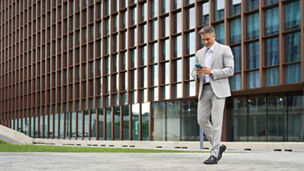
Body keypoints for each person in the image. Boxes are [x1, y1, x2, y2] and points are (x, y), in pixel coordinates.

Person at [192, 25, 234, 164]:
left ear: (214, 36)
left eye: (208, 39)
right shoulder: (199, 53)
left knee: (217, 123)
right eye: (203, 40)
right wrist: (197, 74)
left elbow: (230, 70)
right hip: (204, 90)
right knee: (202, 120)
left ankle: (214, 154)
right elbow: (193, 72)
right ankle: (219, 146)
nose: (205, 42)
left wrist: (211, 72)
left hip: (219, 90)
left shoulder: (224, 49)